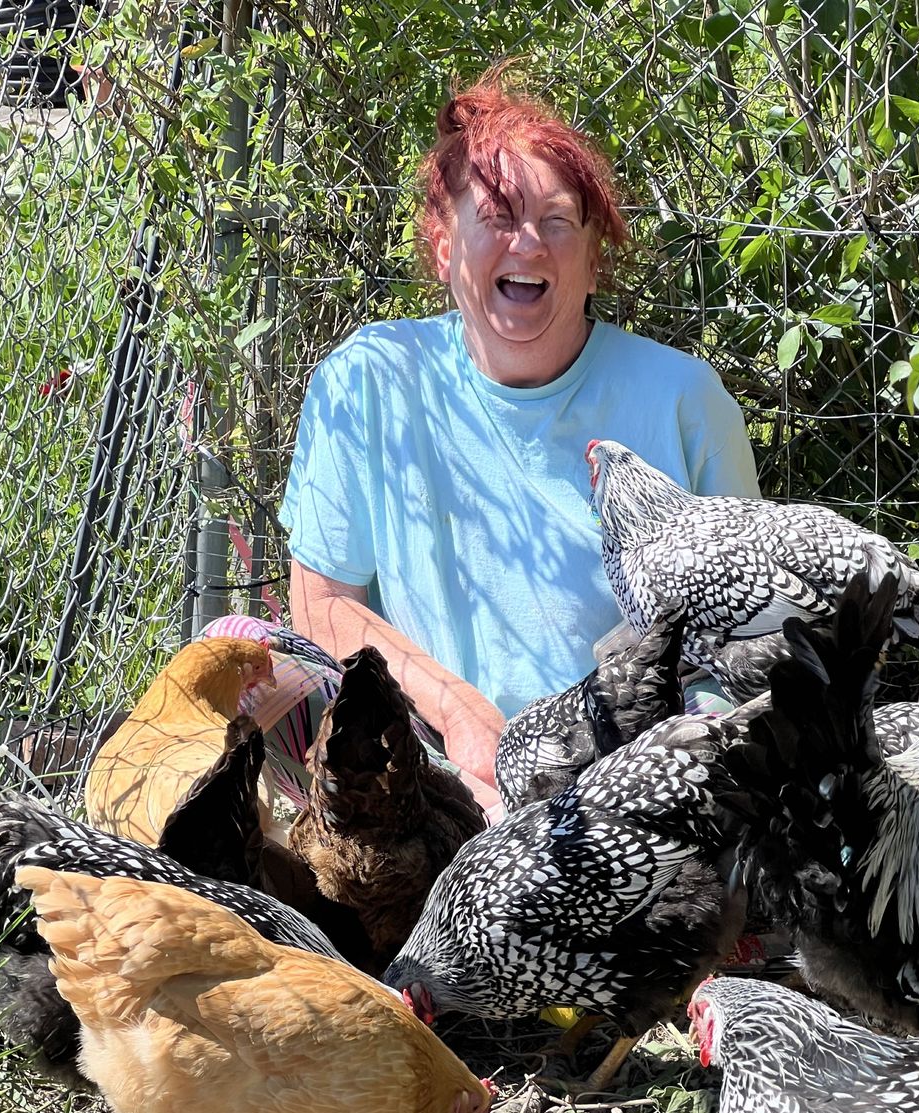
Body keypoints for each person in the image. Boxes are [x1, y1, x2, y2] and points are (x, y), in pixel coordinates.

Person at [284, 67, 759, 814]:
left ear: (595, 254)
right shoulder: (369, 382)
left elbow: (742, 648)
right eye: (498, 215)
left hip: (637, 787)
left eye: (558, 220)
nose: (528, 242)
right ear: (445, 248)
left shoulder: (684, 402)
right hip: (433, 771)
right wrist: (459, 714)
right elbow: (319, 603)